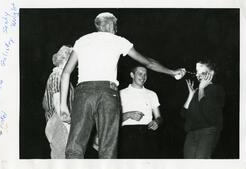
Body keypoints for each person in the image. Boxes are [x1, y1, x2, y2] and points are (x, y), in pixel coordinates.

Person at [60, 12, 186, 159]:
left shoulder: (82, 40)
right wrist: (172, 72)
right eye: (115, 26)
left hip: (83, 93)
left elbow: (66, 73)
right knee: (107, 148)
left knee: (75, 147)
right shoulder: (118, 40)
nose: (116, 30)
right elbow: (148, 62)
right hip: (107, 93)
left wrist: (63, 105)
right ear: (110, 24)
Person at [181, 58, 225, 159]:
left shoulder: (216, 89)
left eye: (202, 72)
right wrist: (191, 95)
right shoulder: (197, 91)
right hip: (191, 134)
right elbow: (183, 113)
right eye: (197, 72)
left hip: (207, 132)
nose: (197, 75)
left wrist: (201, 89)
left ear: (211, 73)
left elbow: (207, 111)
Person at [118, 66, 162, 158]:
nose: (143, 77)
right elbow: (113, 120)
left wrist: (156, 122)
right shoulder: (120, 93)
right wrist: (128, 115)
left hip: (148, 134)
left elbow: (159, 117)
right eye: (140, 73)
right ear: (132, 75)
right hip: (127, 135)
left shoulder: (152, 94)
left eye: (145, 74)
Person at [42, 45, 74, 159]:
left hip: (61, 122)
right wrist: (66, 125)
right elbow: (57, 102)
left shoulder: (64, 78)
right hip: (59, 122)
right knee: (61, 158)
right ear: (67, 59)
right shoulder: (57, 75)